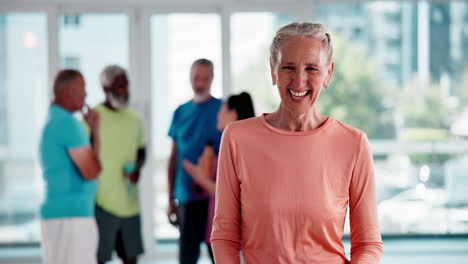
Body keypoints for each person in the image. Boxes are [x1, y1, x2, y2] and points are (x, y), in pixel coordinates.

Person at [211, 22, 384, 263]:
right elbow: (225, 236)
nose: (299, 81)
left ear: (328, 73)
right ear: (273, 71)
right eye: (288, 67)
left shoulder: (353, 143)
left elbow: (368, 244)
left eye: (312, 68)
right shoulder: (237, 138)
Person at [39, 69, 101, 264]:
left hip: (62, 216)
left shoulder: (53, 121)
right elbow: (92, 171)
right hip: (71, 218)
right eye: (82, 89)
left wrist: (94, 131)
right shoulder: (68, 124)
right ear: (66, 92)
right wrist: (96, 134)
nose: (86, 95)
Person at [88, 65, 146, 264]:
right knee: (99, 258)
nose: (125, 90)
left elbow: (141, 151)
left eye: (126, 84)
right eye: (119, 85)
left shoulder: (135, 118)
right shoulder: (92, 118)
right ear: (105, 88)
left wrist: (138, 167)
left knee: (131, 258)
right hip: (101, 203)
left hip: (130, 203)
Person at [182, 92, 255, 247]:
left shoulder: (241, 148)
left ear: (233, 114)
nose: (218, 115)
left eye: (221, 111)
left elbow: (230, 193)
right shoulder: (228, 146)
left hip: (236, 234)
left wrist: (199, 177)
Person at [167, 58, 222, 264]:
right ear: (190, 78)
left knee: (218, 255)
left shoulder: (223, 110)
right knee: (187, 258)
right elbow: (173, 158)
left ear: (211, 79)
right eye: (196, 78)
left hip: (214, 198)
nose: (200, 83)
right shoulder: (180, 112)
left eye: (205, 78)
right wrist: (170, 199)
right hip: (186, 197)